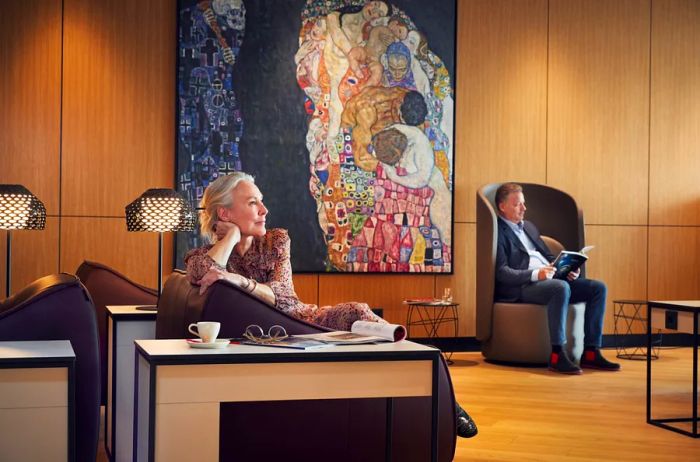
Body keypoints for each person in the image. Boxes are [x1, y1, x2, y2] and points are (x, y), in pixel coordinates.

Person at [185, 172, 478, 438]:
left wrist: (238, 282)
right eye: (252, 203)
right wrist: (232, 236)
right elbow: (204, 272)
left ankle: (443, 396)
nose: (264, 210)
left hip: (304, 320)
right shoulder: (200, 257)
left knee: (357, 312)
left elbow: (285, 297)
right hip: (278, 337)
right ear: (224, 212)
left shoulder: (276, 240)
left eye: (262, 202)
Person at [493, 183, 620, 374]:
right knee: (560, 288)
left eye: (524, 203)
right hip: (524, 285)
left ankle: (591, 352)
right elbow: (502, 272)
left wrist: (567, 268)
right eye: (518, 204)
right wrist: (537, 274)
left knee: (597, 288)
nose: (524, 208)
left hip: (551, 278)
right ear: (502, 206)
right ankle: (557, 354)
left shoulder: (529, 226)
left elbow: (547, 256)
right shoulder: (497, 232)